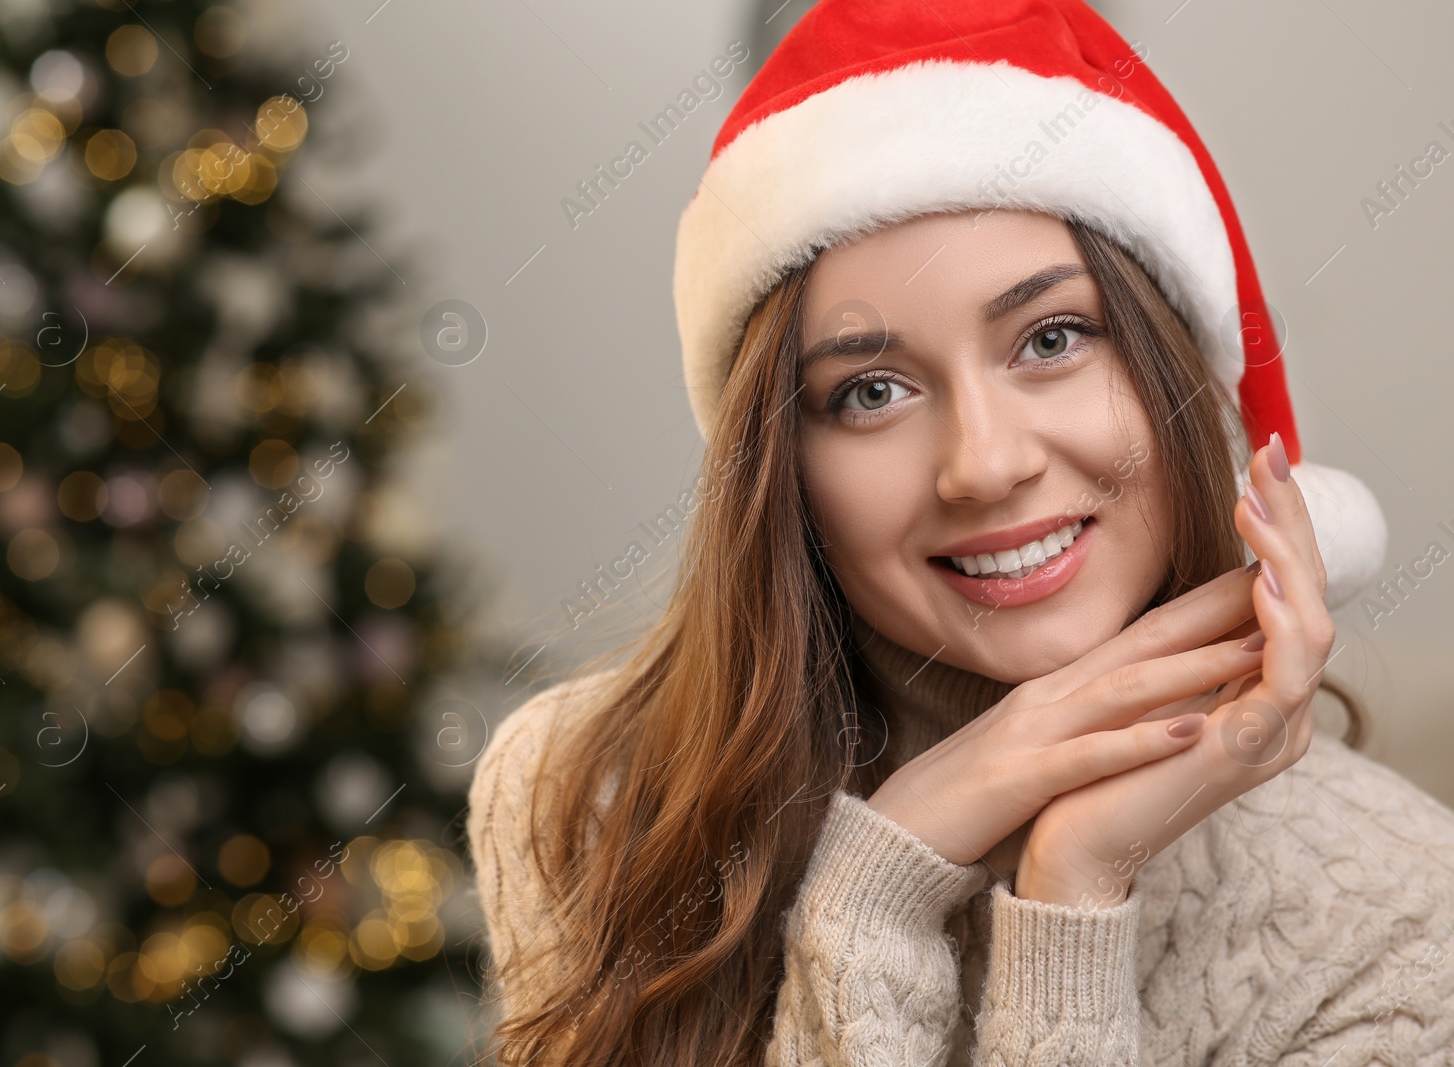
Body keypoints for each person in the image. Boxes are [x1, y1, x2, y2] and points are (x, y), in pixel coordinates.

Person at [466, 1, 1454, 1064]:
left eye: (1053, 336)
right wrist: (876, 893)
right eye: (869, 389)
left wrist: (1073, 884)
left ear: (1174, 368)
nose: (984, 464)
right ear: (782, 468)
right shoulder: (586, 796)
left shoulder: (1395, 913)